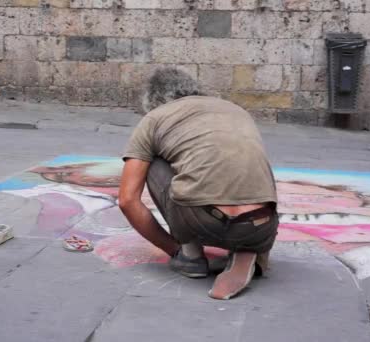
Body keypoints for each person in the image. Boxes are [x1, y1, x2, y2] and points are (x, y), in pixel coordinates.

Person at [118, 68, 279, 300]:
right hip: (262, 224)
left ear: (153, 101)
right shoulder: (236, 110)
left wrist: (172, 249)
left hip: (203, 219)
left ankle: (190, 254)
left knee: (151, 161)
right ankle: (249, 248)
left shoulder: (154, 118)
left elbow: (127, 200)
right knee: (244, 169)